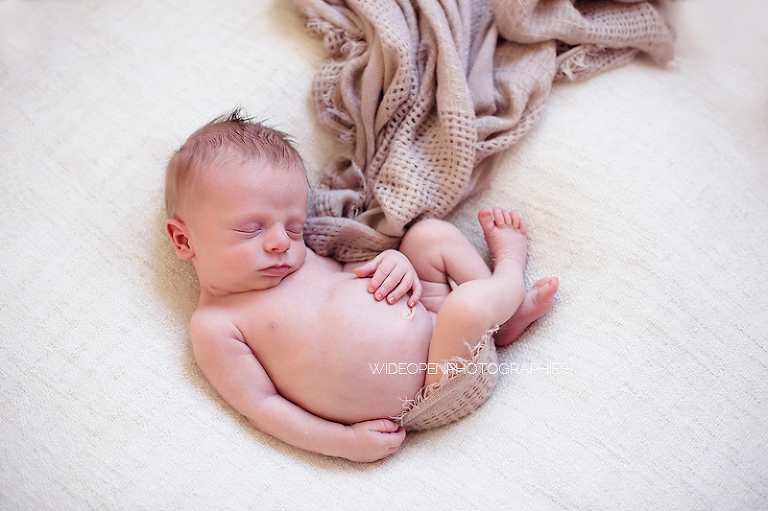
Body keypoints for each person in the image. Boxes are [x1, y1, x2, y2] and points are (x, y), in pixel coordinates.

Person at [165, 110, 558, 462]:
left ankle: (503, 319)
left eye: (294, 227)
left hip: (436, 319)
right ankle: (509, 270)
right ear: (183, 240)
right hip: (434, 384)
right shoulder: (216, 326)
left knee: (428, 236)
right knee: (466, 309)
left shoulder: (300, 261)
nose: (281, 242)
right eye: (252, 229)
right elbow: (263, 407)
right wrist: (344, 442)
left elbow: (351, 275)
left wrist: (395, 263)